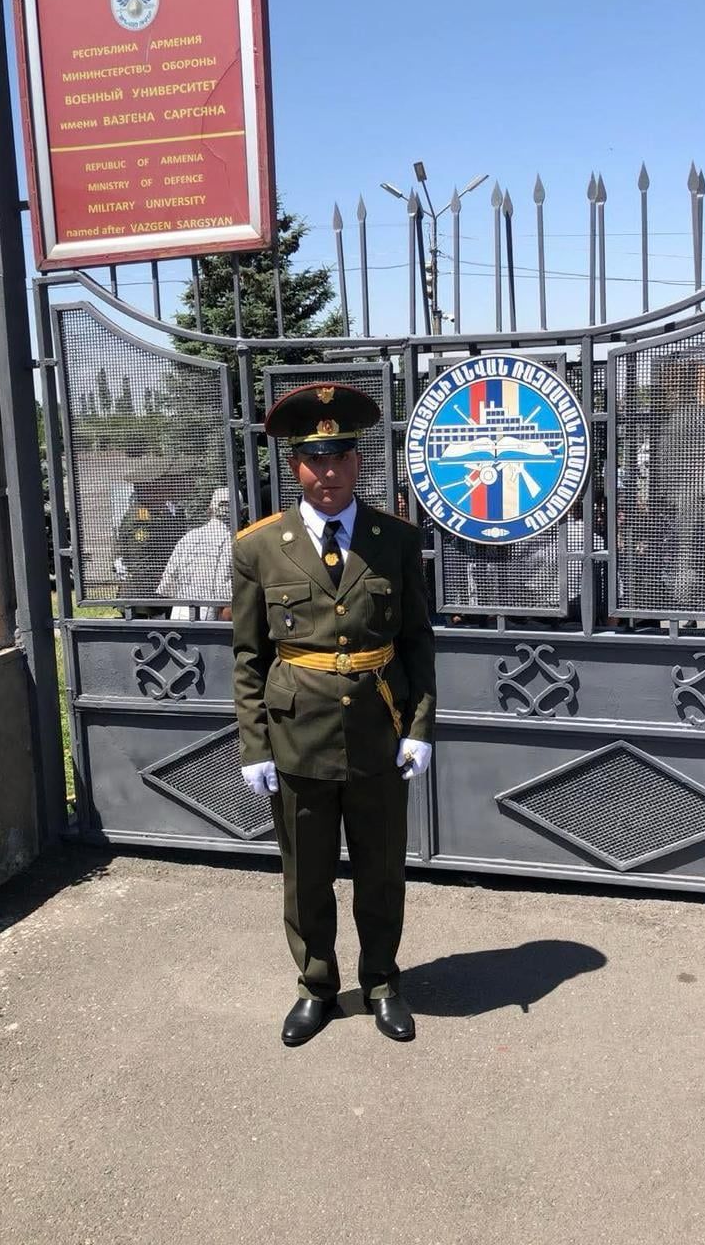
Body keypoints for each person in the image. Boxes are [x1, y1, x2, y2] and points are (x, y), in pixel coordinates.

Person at [231, 382, 436, 1046]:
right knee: (306, 878)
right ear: (294, 464)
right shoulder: (260, 547)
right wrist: (255, 745)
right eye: (314, 459)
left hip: (378, 733)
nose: (328, 471)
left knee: (381, 872)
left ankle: (381, 983)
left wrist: (420, 729)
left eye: (340, 456)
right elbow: (249, 657)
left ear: (357, 462)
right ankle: (317, 987)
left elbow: (417, 642)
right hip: (297, 737)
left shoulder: (395, 539)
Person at [157, 486, 241, 620]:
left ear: (210, 508)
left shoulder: (189, 536)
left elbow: (168, 579)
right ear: (240, 512)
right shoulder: (234, 541)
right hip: (209, 617)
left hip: (180, 612)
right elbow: (226, 590)